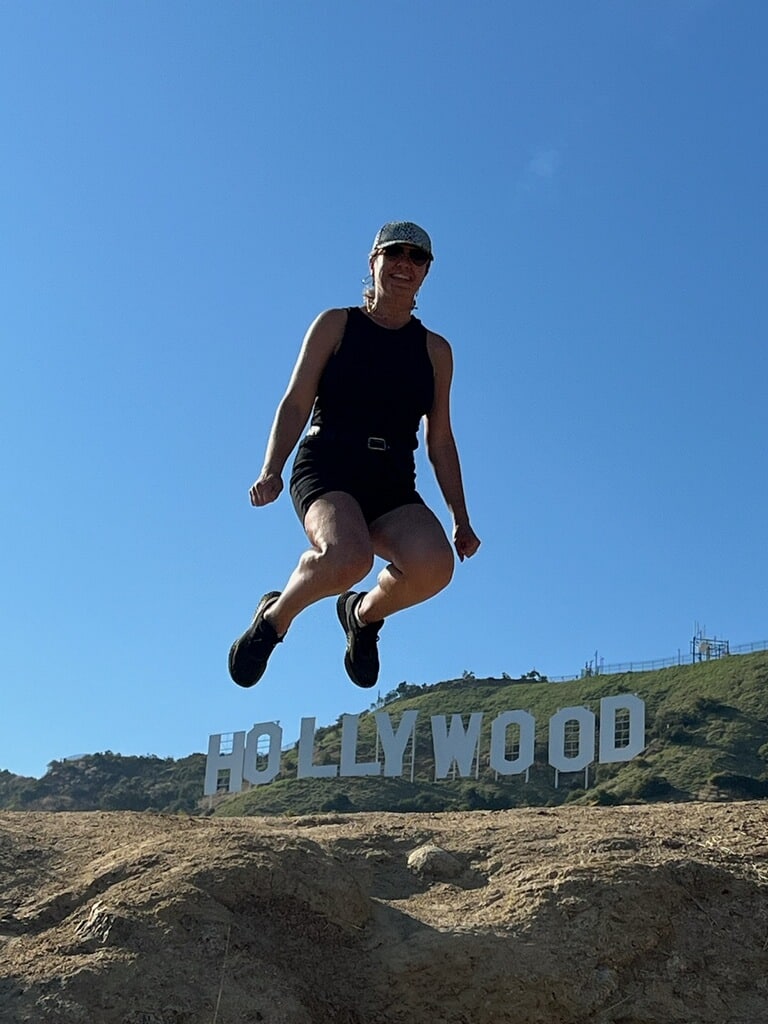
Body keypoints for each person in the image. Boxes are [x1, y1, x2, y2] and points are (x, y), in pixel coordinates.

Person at [228, 220, 481, 691]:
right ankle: (273, 619)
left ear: (426, 272)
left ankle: (361, 617)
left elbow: (440, 439)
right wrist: (271, 469)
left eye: (416, 257)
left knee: (435, 566)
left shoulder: (435, 351)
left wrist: (460, 519)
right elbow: (297, 401)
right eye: (394, 254)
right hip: (328, 463)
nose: (404, 264)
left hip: (390, 479)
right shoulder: (336, 324)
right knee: (348, 557)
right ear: (374, 262)